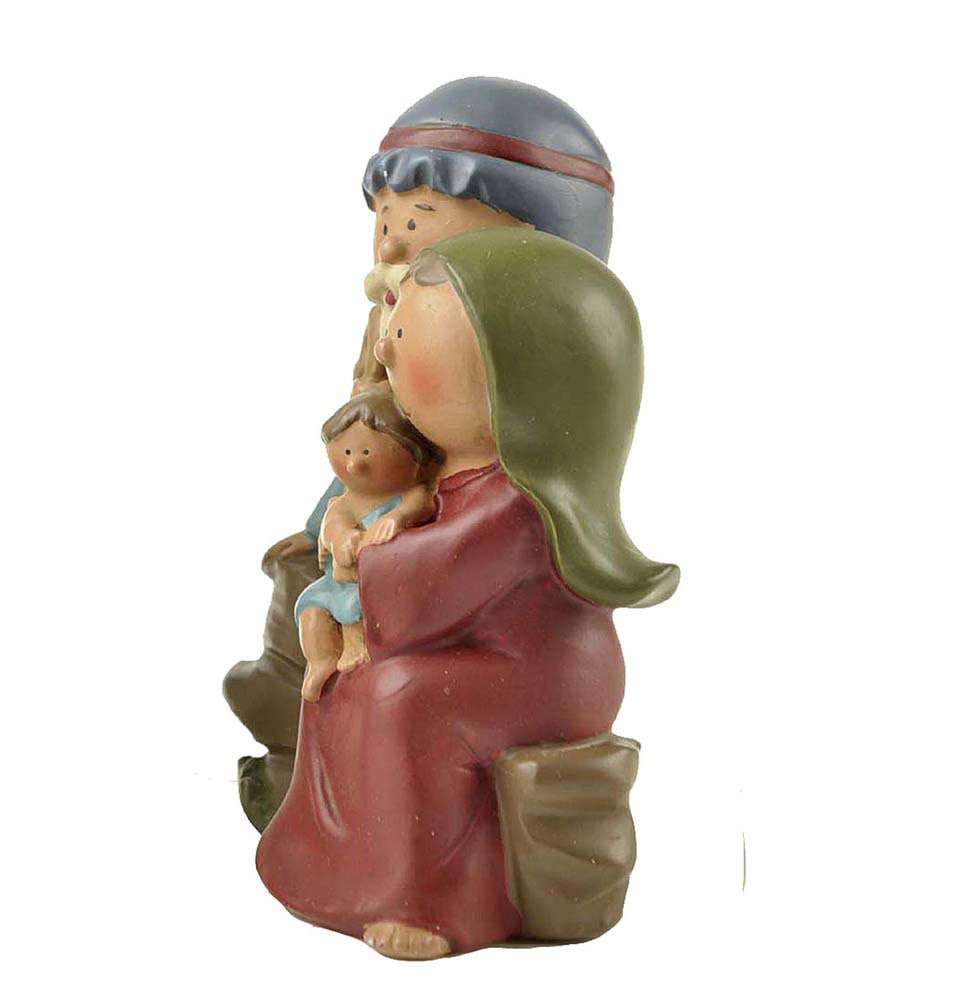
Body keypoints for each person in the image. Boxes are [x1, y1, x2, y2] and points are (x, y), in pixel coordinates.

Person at [255, 228, 679, 959]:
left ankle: (435, 902)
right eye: (391, 333)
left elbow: (420, 599)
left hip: (539, 675)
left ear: (508, 381)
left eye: (406, 340)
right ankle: (325, 864)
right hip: (485, 658)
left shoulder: (515, 502)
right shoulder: (449, 473)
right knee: (342, 681)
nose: (384, 351)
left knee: (405, 696)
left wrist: (367, 560)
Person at [224, 77, 618, 832]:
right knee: (299, 577)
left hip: (470, 610)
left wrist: (383, 549)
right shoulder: (392, 325)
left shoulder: (529, 406)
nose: (392, 243)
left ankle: (327, 778)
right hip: (380, 529)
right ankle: (289, 736)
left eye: (418, 219)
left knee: (386, 671)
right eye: (383, 221)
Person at [295, 390, 442, 701]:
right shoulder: (344, 502)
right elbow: (333, 525)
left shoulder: (409, 494)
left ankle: (355, 647)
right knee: (310, 608)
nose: (354, 464)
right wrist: (341, 538)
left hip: (375, 585)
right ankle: (321, 659)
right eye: (347, 452)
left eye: (365, 452)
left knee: (358, 609)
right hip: (337, 582)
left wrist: (398, 517)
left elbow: (421, 505)